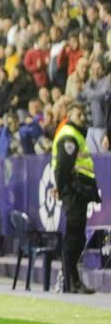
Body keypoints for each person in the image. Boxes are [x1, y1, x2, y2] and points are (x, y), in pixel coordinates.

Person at [53, 102, 101, 294]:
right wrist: (62, 188)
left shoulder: (77, 135)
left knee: (77, 236)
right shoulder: (69, 136)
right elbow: (64, 166)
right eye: (78, 115)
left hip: (78, 191)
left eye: (83, 115)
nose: (82, 118)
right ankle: (70, 281)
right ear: (69, 115)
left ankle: (72, 280)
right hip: (74, 191)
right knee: (74, 236)